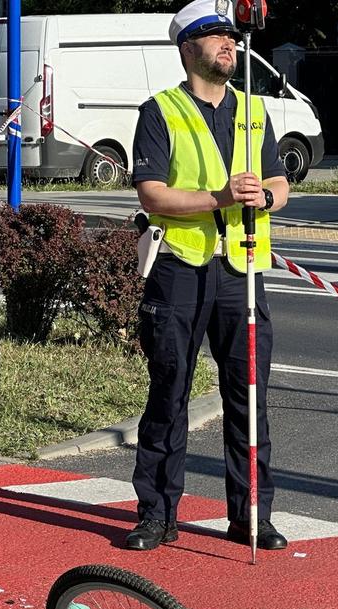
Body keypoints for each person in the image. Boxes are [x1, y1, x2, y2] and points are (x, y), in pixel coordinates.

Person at [125, 0, 290, 552]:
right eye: (215, 35)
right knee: (169, 391)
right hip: (180, 267)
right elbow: (152, 193)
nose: (230, 43)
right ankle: (157, 513)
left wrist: (265, 195)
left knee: (249, 396)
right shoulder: (161, 111)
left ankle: (251, 516)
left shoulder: (254, 111)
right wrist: (219, 197)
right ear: (187, 48)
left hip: (241, 268)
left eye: (231, 35)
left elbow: (279, 184)